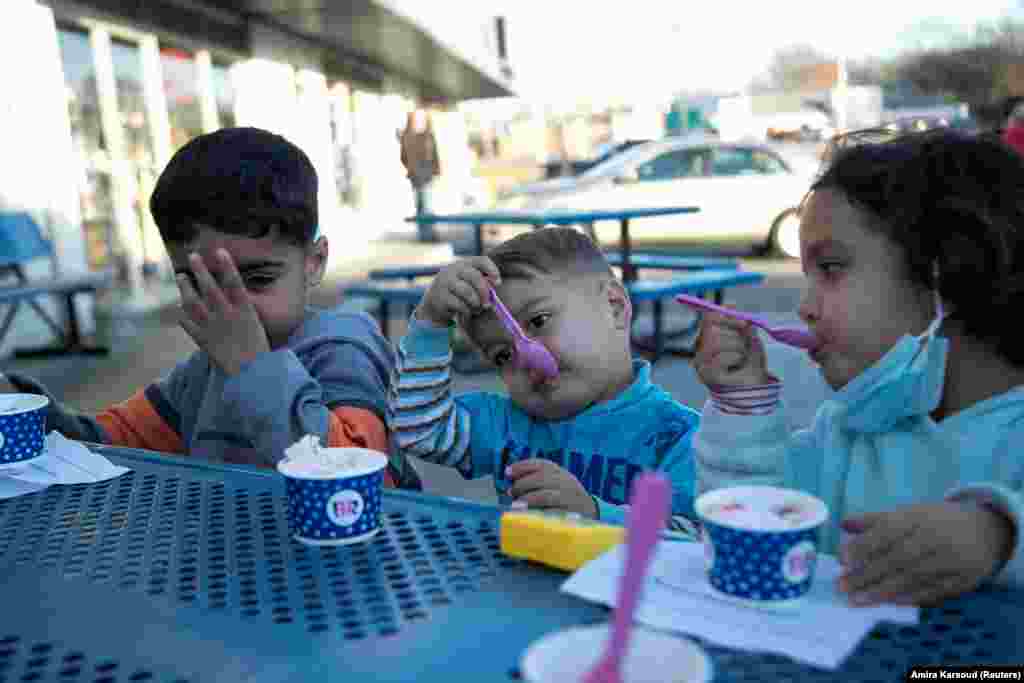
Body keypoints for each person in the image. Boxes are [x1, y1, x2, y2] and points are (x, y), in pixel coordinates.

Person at [692, 128, 1024, 606]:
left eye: (829, 268)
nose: (804, 307)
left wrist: (998, 532)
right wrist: (742, 403)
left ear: (945, 275)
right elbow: (751, 534)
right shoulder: (847, 430)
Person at [3, 127, 398, 484]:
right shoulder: (202, 374)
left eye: (258, 278)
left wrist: (253, 369)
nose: (234, 306)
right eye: (202, 283)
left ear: (314, 263)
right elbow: (106, 444)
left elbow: (363, 479)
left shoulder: (343, 348)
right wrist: (24, 407)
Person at [386, 227, 701, 530]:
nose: (524, 355)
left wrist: (595, 514)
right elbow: (418, 429)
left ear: (614, 308)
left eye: (538, 321)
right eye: (502, 355)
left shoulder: (680, 437)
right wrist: (431, 322)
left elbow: (697, 542)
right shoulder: (504, 425)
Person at [399, 109, 441, 243]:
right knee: (419, 205)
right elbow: (403, 157)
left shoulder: (429, 135)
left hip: (427, 175)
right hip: (414, 176)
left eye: (421, 118)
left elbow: (435, 155)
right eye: (416, 118)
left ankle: (430, 234)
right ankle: (423, 235)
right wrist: (410, 168)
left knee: (428, 205)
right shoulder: (407, 136)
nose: (419, 121)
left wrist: (436, 170)